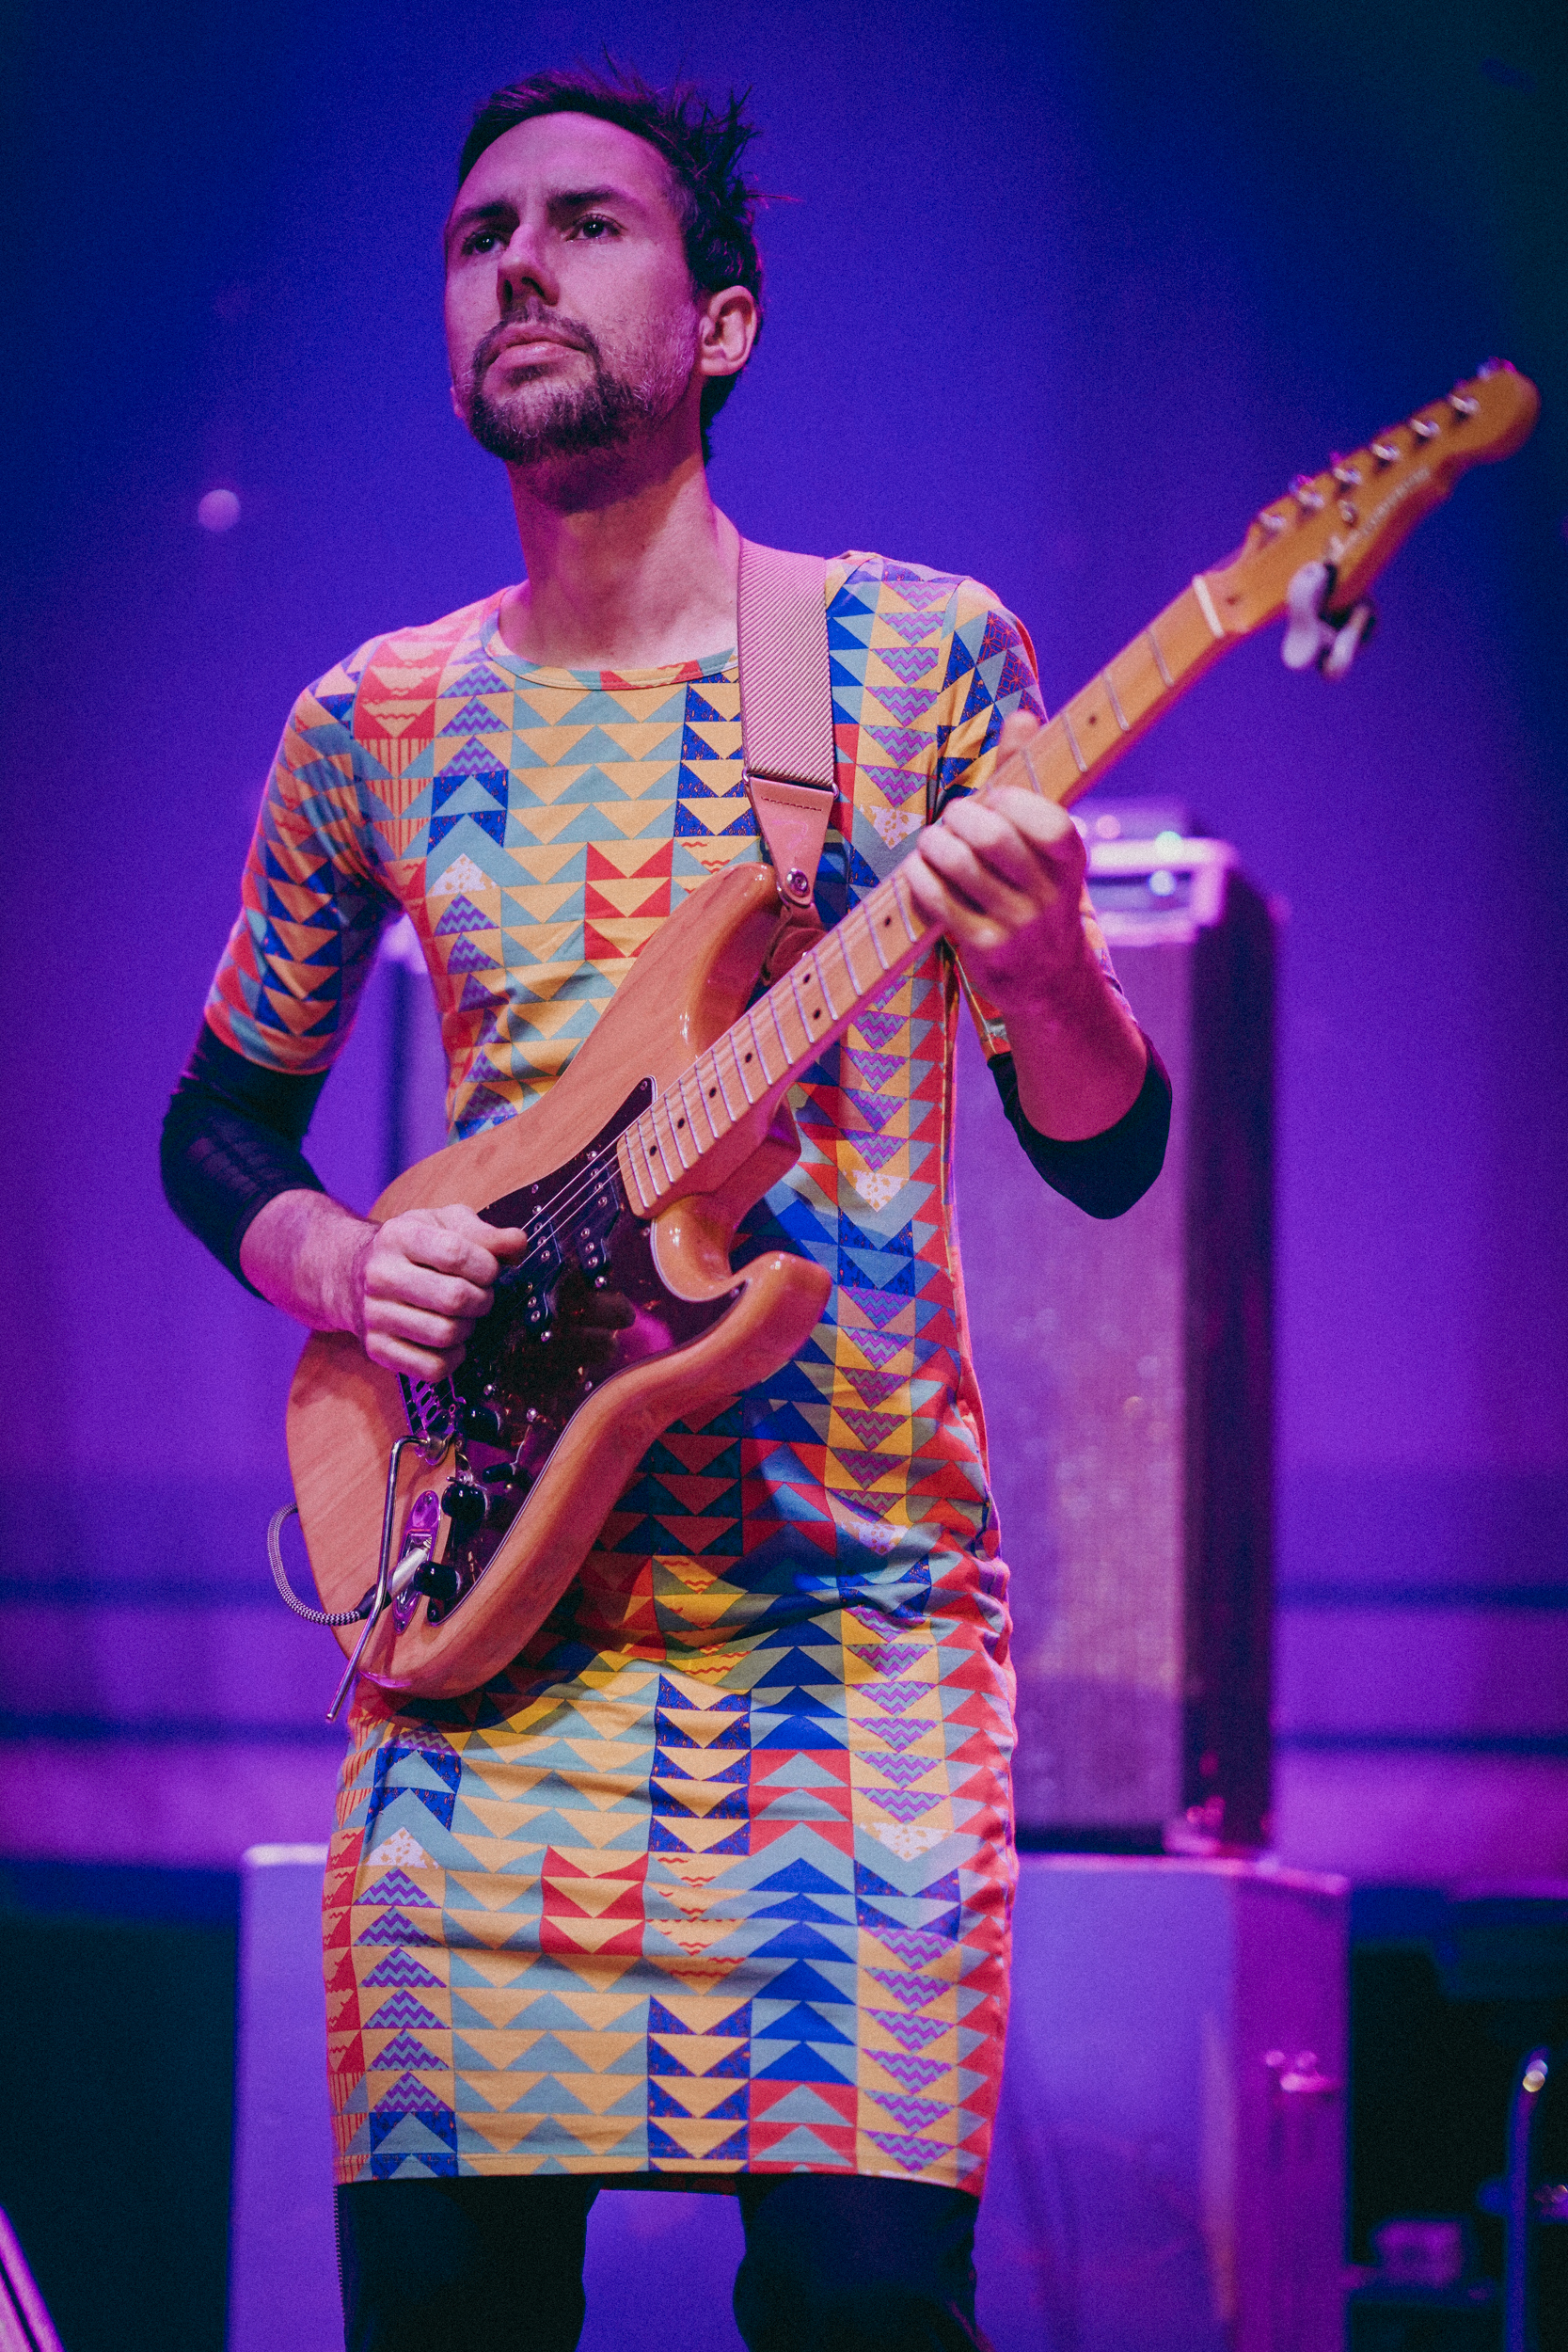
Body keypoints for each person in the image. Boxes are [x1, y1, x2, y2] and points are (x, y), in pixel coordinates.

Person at [163, 64, 1170, 2352]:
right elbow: (217, 1122)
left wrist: (1045, 967)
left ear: (720, 324)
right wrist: (346, 1259)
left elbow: (1103, 1142)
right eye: (478, 235)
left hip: (850, 1645)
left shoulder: (917, 656)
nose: (518, 261)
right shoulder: (372, 719)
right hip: (479, 1638)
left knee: (860, 2313)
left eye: (585, 225)